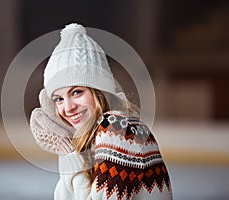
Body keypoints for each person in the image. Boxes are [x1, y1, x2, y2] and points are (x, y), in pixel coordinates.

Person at [30, 23, 172, 200]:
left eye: (77, 92)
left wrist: (69, 156)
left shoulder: (118, 129)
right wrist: (72, 149)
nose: (67, 108)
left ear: (99, 91)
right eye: (59, 99)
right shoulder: (101, 134)